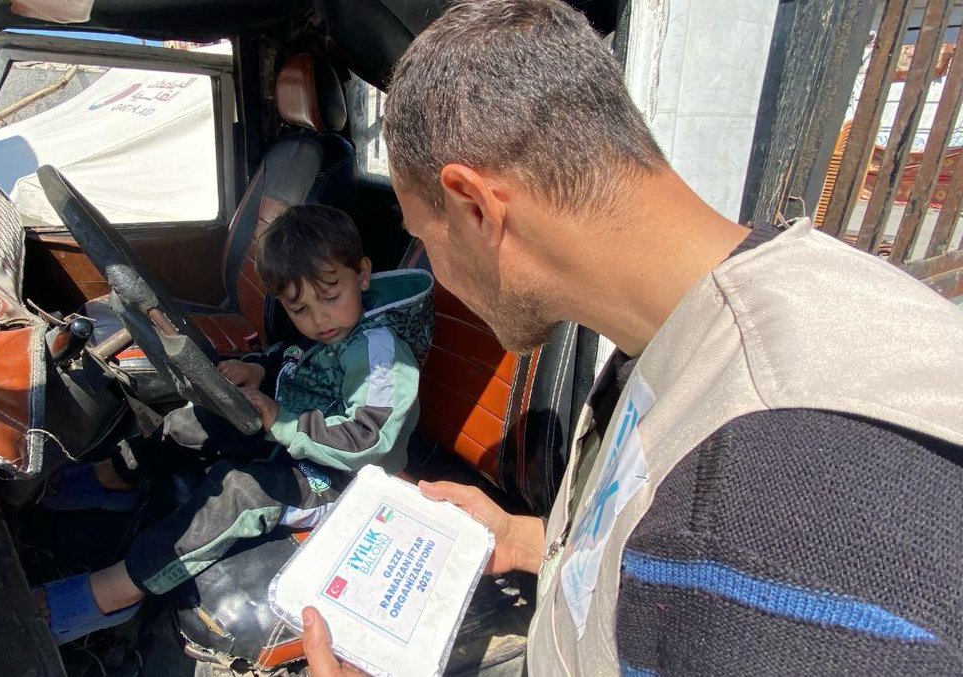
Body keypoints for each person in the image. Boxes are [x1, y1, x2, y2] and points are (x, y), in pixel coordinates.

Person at [302, 0, 963, 674]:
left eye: (421, 235)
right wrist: (531, 541)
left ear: (474, 207)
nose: (432, 269)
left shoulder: (767, 516)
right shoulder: (712, 320)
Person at [41, 204, 434, 644]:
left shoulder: (381, 353)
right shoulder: (337, 330)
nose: (318, 319)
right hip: (292, 434)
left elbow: (370, 439)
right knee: (196, 422)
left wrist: (281, 420)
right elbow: (296, 361)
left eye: (329, 297)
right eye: (298, 308)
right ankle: (114, 476)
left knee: (242, 494)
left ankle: (116, 591)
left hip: (344, 478)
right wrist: (260, 370)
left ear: (362, 275)